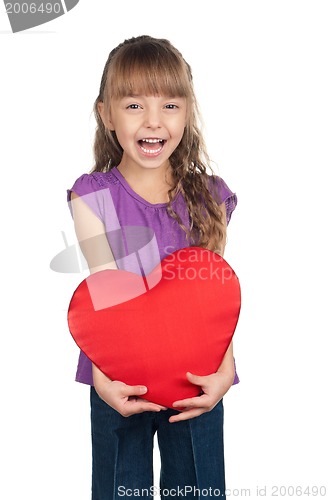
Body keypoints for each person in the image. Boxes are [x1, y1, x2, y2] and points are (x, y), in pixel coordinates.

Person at [67, 35, 239, 500]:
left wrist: (224, 371)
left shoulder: (210, 195)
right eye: (134, 105)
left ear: (187, 111)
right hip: (118, 377)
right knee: (121, 490)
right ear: (106, 114)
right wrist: (105, 381)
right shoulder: (92, 194)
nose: (153, 121)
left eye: (169, 104)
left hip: (195, 379)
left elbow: (215, 297)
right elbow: (103, 293)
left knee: (198, 490)